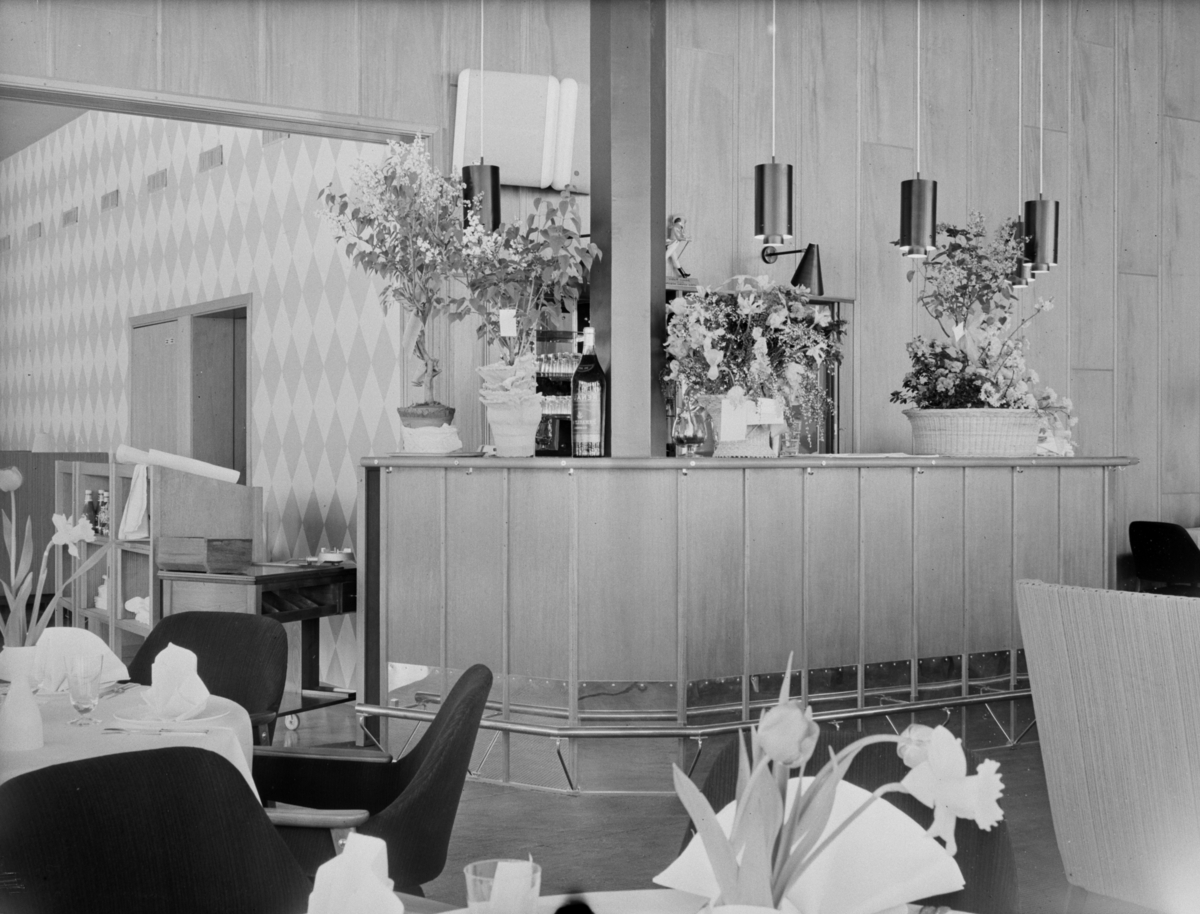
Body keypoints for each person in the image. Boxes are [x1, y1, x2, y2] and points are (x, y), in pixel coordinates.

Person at [666, 213, 691, 279]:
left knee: (675, 260)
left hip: (674, 245)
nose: (682, 224)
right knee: (665, 256)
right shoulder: (675, 227)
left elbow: (682, 235)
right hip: (672, 244)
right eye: (681, 222)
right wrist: (686, 239)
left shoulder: (679, 227)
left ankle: (683, 274)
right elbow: (679, 238)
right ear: (679, 222)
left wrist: (687, 237)